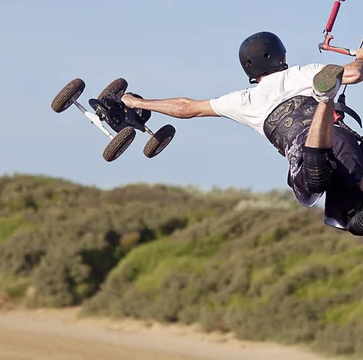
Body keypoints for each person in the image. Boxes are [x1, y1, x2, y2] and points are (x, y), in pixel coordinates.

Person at [122, 32, 363, 234]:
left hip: (302, 169)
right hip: (341, 147)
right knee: (353, 211)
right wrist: (360, 57)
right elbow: (354, 73)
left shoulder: (243, 100)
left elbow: (186, 108)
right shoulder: (300, 74)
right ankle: (324, 100)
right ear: (281, 56)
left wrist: (137, 103)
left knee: (347, 213)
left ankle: (324, 101)